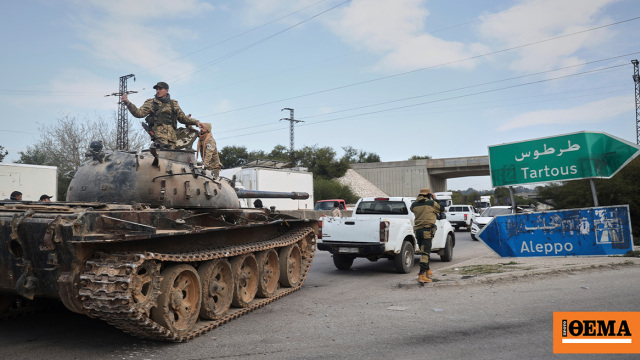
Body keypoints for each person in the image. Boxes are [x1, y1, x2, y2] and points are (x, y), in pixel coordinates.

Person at [122, 81, 200, 149]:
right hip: (159, 138)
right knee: (160, 159)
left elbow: (182, 118)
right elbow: (139, 113)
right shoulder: (151, 103)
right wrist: (128, 103)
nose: (158, 91)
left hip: (172, 138)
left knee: (171, 160)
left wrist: (196, 122)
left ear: (166, 90)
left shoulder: (173, 104)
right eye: (157, 89)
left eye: (160, 89)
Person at [410, 188, 440, 284]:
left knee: (423, 251)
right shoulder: (431, 203)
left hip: (417, 231)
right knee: (425, 253)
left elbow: (412, 209)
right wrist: (434, 199)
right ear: (429, 195)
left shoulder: (414, 204)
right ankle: (422, 275)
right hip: (426, 230)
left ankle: (428, 271)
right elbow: (441, 208)